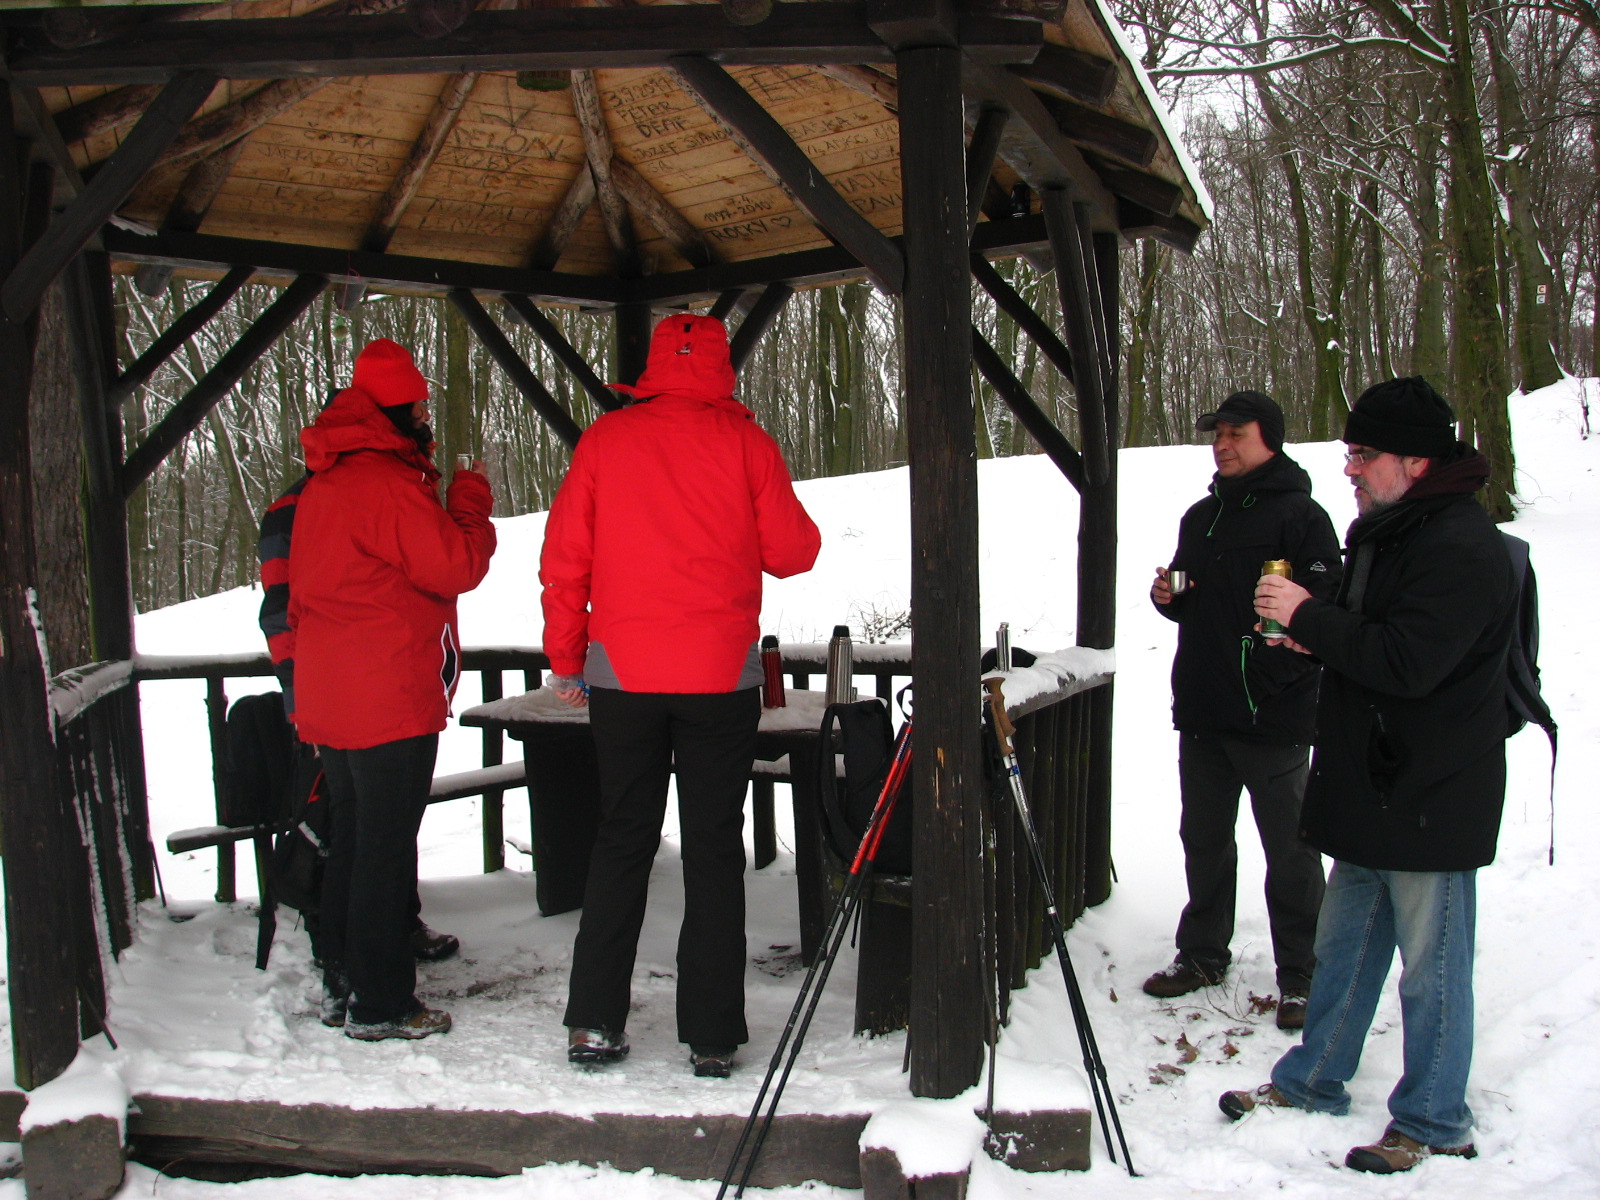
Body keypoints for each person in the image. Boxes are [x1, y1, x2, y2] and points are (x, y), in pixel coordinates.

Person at [1221, 377, 1517, 1175]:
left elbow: (1408, 662)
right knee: (1345, 951)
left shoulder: (1462, 546)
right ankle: (1312, 1079)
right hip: (1371, 784)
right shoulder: (1392, 532)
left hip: (1431, 795)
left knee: (1432, 972)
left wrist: (1306, 615)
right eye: (1350, 452)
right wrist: (1314, 635)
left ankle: (1435, 1120)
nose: (1348, 467)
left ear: (1416, 461)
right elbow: (1370, 637)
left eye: (1364, 454)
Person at [540, 313, 820, 1078]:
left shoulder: (606, 441)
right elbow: (795, 552)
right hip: (718, 676)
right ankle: (712, 1036)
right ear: (721, 367)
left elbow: (564, 560)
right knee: (713, 848)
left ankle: (594, 1022)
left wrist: (566, 660)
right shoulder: (746, 443)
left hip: (622, 675)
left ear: (654, 365)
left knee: (621, 838)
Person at [288, 338, 496, 1041]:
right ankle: (381, 1005)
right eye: (419, 407)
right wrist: (470, 498)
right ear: (397, 410)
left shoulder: (325, 483)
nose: (426, 416)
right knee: (383, 849)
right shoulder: (383, 483)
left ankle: (344, 981)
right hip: (386, 692)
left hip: (334, 695)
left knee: (353, 840)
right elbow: (456, 565)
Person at [1144, 390, 1341, 1030]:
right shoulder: (1201, 517)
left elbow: (1325, 606)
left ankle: (1303, 975)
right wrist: (1169, 595)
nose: (1222, 445)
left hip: (1273, 712)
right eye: (1217, 434)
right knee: (1204, 840)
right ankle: (1202, 954)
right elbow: (1190, 592)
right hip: (1204, 707)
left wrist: (1277, 669)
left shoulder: (1302, 516)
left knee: (1290, 850)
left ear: (1269, 437)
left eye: (1236, 433)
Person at [257, 433, 461, 969]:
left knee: (376, 831)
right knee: (348, 834)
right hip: (335, 701)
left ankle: (383, 939)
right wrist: (301, 706)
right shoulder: (297, 508)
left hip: (357, 694)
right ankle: (351, 966)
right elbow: (281, 612)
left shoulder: (357, 494)